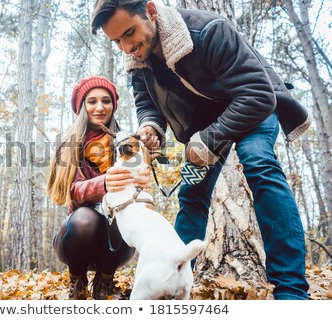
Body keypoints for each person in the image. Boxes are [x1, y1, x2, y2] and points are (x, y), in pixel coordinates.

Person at [91, 0, 310, 300]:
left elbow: (258, 94)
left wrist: (207, 140)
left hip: (252, 106)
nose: (126, 47)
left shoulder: (208, 30)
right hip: (205, 125)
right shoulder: (138, 61)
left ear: (151, 12)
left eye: (129, 33)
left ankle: (292, 293)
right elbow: (146, 104)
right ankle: (173, 278)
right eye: (116, 41)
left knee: (258, 161)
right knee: (192, 194)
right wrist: (151, 128)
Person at [47, 76, 150, 299]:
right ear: (82, 106)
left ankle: (105, 282)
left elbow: (137, 192)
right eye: (92, 101)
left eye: (106, 101)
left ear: (113, 105)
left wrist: (140, 184)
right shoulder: (69, 143)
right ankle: (78, 281)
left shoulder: (127, 142)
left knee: (122, 218)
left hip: (117, 241)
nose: (100, 107)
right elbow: (69, 190)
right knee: (85, 219)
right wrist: (104, 184)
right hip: (76, 236)